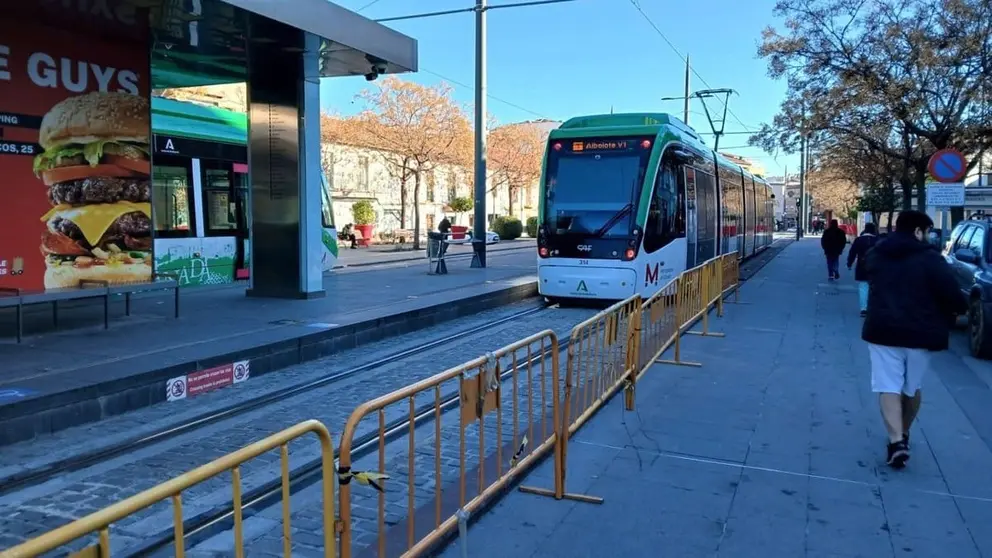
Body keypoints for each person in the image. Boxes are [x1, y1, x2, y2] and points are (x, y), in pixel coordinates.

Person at [862, 210, 967, 469]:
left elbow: (869, 275)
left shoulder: (877, 252)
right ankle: (903, 435)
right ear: (919, 231)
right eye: (927, 231)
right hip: (920, 333)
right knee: (911, 387)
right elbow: (951, 294)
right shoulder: (931, 259)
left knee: (887, 385)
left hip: (882, 330)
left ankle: (896, 440)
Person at [847, 222, 879, 317]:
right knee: (875, 287)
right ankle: (873, 307)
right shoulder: (877, 240)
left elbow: (852, 252)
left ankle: (863, 308)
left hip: (862, 265)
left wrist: (849, 263)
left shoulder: (859, 240)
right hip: (876, 267)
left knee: (863, 287)